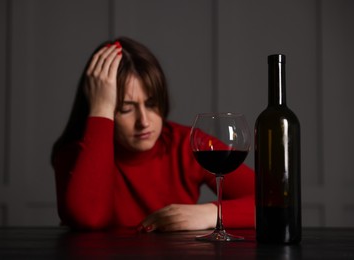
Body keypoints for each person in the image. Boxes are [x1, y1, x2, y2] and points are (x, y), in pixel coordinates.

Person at [51, 36, 254, 232]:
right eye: (125, 108)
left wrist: (211, 214)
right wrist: (101, 108)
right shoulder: (76, 153)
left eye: (151, 104)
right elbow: (88, 218)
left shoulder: (184, 143)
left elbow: (277, 199)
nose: (144, 122)